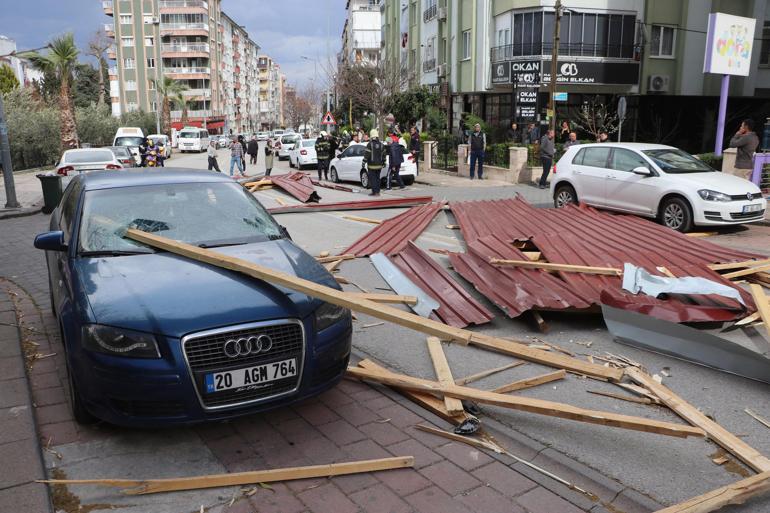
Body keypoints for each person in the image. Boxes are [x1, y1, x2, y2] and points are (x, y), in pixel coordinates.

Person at [363, 129, 385, 196]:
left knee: (373, 179)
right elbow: (384, 155)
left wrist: (363, 162)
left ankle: (374, 192)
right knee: (378, 179)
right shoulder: (381, 145)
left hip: (371, 166)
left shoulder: (370, 144)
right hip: (379, 166)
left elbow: (367, 154)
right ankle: (378, 192)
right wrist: (384, 162)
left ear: (371, 136)